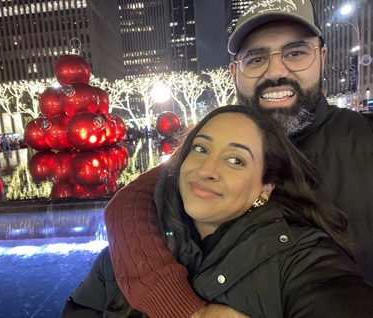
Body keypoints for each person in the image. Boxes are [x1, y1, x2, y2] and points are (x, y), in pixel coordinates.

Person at [104, 1, 373, 317]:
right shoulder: (206, 151)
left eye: (295, 53)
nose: (275, 71)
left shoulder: (364, 137)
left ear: (321, 58)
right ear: (234, 73)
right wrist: (188, 309)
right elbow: (127, 204)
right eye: (256, 58)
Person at [62, 106, 373, 317]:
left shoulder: (300, 261)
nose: (207, 170)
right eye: (200, 149)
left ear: (266, 186)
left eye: (236, 160)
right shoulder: (124, 251)